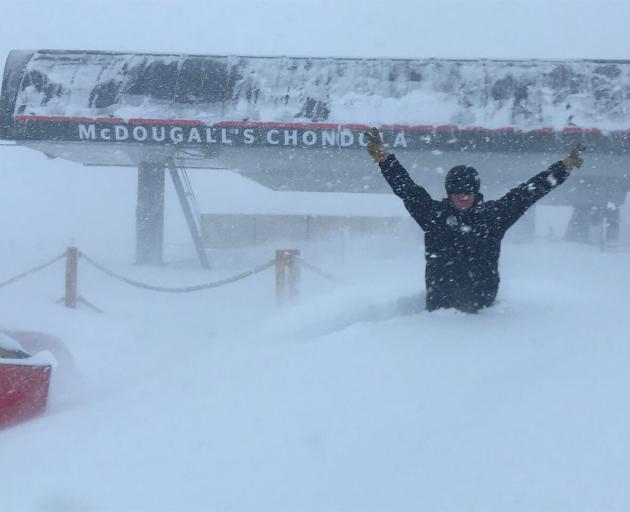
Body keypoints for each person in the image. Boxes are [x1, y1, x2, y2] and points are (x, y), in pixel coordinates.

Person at [365, 127, 585, 313]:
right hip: (440, 310)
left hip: (483, 309)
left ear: (476, 192)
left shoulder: (493, 216)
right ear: (449, 193)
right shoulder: (435, 216)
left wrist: (563, 168)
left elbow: (528, 193)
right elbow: (407, 189)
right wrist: (385, 159)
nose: (463, 196)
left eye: (468, 191)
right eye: (457, 191)